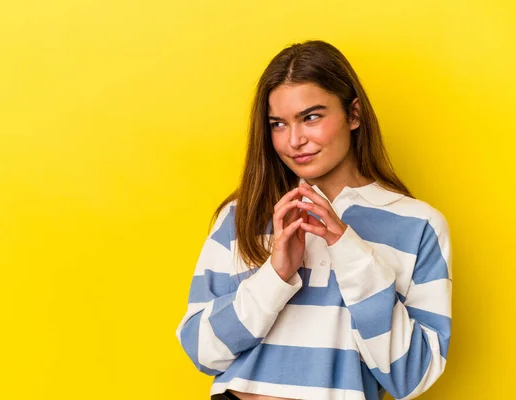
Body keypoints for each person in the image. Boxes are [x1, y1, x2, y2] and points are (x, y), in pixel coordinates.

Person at [175, 40, 452, 400]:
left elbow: (411, 378)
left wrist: (350, 252)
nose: (295, 141)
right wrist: (275, 277)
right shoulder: (242, 215)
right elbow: (203, 351)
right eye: (278, 124)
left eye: (311, 117)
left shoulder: (419, 225)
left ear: (354, 115)